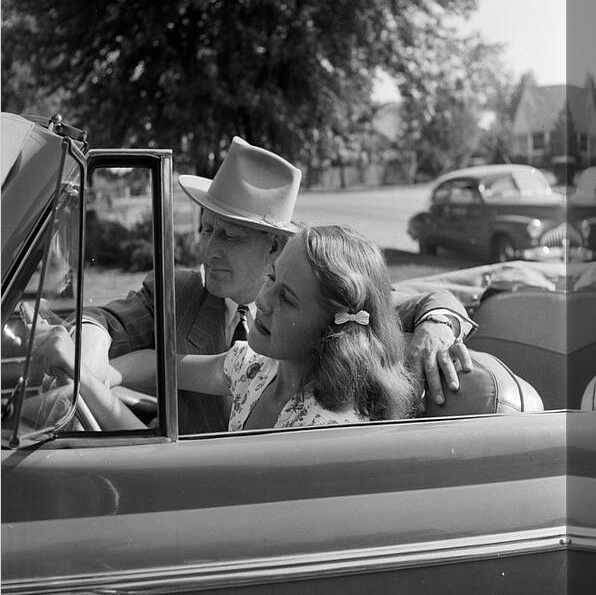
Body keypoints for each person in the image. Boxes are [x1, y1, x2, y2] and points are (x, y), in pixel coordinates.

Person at [79, 136, 475, 434]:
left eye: (230, 237)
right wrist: (91, 356)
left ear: (275, 247)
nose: (210, 251)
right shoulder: (183, 299)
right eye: (205, 230)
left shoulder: (337, 301)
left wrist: (438, 326)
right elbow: (106, 321)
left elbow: (426, 301)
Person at [31, 225, 415, 430]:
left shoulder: (319, 428)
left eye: (288, 299)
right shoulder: (255, 368)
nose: (264, 301)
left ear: (335, 327)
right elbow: (165, 363)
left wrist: (86, 385)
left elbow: (185, 484)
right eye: (272, 280)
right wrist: (98, 371)